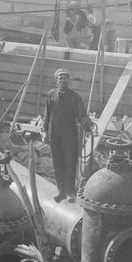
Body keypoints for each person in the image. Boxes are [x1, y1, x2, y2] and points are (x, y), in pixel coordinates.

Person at [43, 68, 90, 203]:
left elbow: (82, 115)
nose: (63, 81)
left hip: (69, 135)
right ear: (56, 80)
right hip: (54, 134)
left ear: (69, 80)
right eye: (60, 78)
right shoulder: (51, 95)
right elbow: (47, 114)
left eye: (65, 78)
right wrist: (45, 131)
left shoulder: (75, 97)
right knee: (57, 163)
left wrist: (89, 125)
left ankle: (70, 192)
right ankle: (60, 191)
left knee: (70, 163)